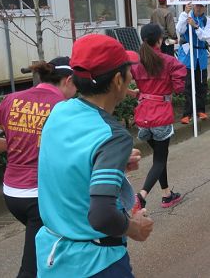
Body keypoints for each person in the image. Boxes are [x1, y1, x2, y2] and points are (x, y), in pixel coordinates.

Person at [35, 34, 152, 277]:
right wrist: (135, 229)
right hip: (96, 263)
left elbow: (61, 164)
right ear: (118, 80)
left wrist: (108, 165)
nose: (132, 76)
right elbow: (102, 215)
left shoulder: (60, 111)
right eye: (128, 70)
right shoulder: (113, 136)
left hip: (52, 258)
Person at [0, 58, 75, 278]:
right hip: (41, 197)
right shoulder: (64, 107)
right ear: (68, 80)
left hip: (12, 195)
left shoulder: (11, 99)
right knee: (32, 267)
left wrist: (18, 141)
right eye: (77, 84)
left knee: (55, 249)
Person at [132, 24, 187, 211]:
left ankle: (166, 194)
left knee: (159, 156)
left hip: (143, 116)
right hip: (161, 115)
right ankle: (141, 196)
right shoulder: (168, 61)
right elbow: (179, 87)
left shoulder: (137, 63)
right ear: (159, 40)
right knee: (159, 160)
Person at [177, 3, 210, 124]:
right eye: (197, 6)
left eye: (201, 6)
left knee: (201, 84)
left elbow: (206, 36)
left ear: (205, 7)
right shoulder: (186, 16)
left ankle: (200, 110)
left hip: (201, 56)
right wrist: (184, 14)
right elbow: (179, 30)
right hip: (188, 56)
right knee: (188, 85)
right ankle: (187, 114)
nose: (198, 8)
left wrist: (196, 26)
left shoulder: (207, 20)